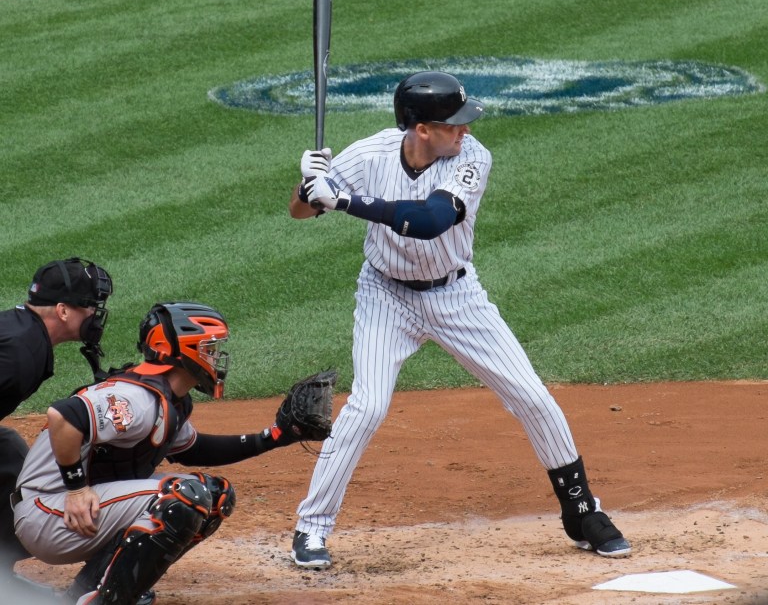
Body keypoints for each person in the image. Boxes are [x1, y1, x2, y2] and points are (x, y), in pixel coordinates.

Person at [287, 71, 631, 569]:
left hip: (457, 297)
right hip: (386, 295)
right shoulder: (371, 153)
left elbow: (430, 221)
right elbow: (300, 212)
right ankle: (311, 528)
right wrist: (308, 186)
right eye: (453, 124)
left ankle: (582, 513)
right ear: (421, 128)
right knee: (367, 407)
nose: (465, 130)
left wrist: (341, 199)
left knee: (531, 396)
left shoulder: (472, 158)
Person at [13, 301, 323, 604]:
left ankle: (93, 589)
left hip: (69, 513)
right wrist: (76, 489)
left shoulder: (166, 398)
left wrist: (274, 437)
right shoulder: (137, 399)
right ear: (183, 350)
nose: (216, 358)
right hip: (47, 512)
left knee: (215, 495)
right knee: (181, 498)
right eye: (209, 349)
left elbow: (195, 449)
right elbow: (64, 417)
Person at [0, 257, 113, 599]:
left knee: (11, 460)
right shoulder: (21, 353)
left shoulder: (24, 333)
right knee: (20, 478)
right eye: (90, 307)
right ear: (63, 311)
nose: (96, 315)